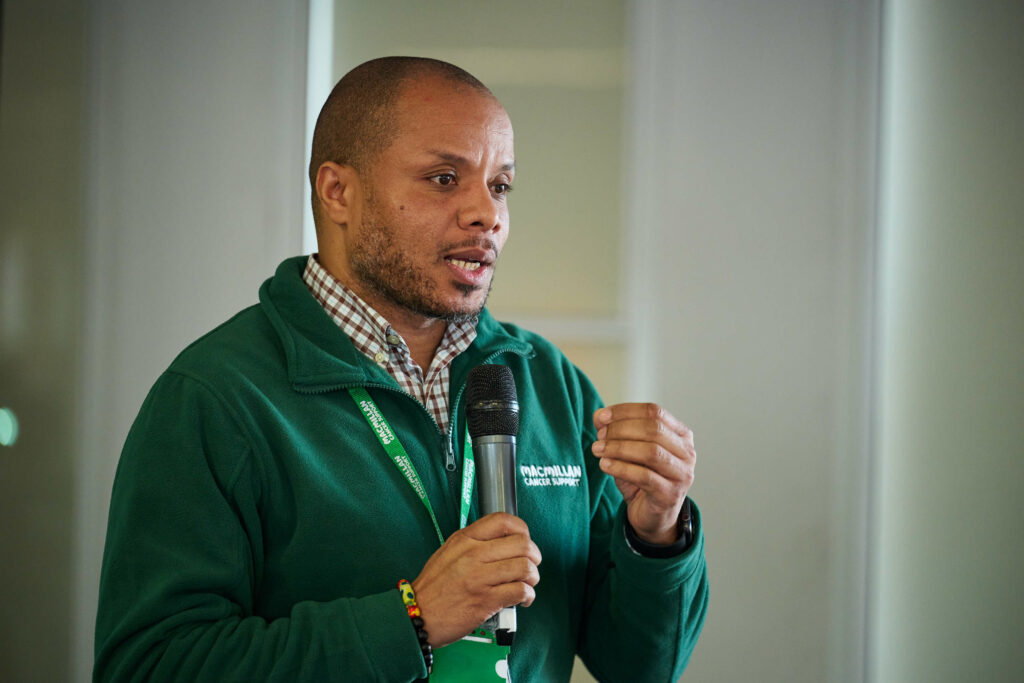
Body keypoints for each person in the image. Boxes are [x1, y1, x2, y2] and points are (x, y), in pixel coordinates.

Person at [94, 56, 708, 682]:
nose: (486, 215)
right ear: (338, 192)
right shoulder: (215, 398)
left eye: (500, 185)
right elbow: (150, 667)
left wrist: (656, 535)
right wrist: (409, 620)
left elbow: (643, 667)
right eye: (445, 178)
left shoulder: (553, 385)